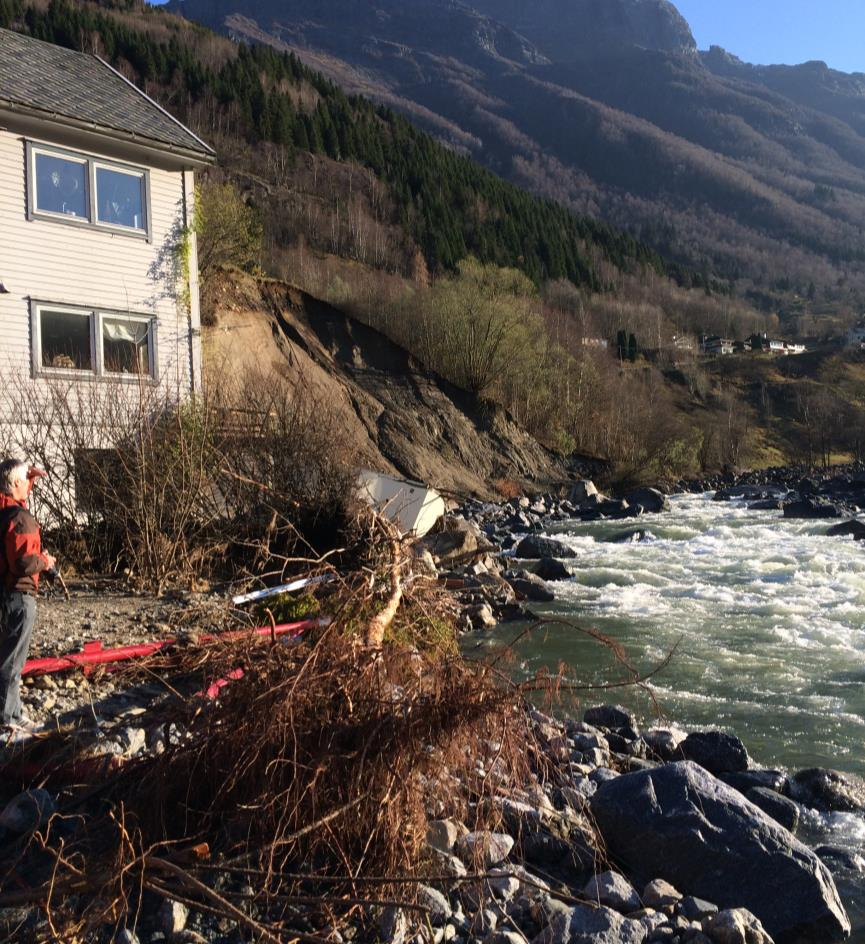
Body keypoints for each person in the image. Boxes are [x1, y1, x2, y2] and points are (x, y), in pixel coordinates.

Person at [0, 459, 55, 736]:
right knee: (12, 660)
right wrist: (44, 561)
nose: (31, 486)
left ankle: (12, 712)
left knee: (8, 654)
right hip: (20, 595)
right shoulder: (21, 519)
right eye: (28, 481)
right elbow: (23, 563)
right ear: (16, 484)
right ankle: (8, 717)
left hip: (5, 595)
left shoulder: (4, 514)